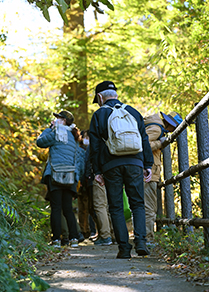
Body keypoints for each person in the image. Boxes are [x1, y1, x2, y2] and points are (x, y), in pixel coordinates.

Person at [89, 81, 154, 258]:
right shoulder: (133, 112)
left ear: (100, 97)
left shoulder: (99, 114)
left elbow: (94, 147)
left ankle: (124, 249)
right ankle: (141, 241)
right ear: (115, 94)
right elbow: (144, 139)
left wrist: (96, 171)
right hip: (135, 163)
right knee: (138, 204)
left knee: (116, 207)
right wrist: (148, 165)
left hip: (111, 165)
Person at [37, 110, 84, 248]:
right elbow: (79, 160)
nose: (55, 120)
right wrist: (76, 178)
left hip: (55, 175)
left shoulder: (56, 133)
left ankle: (57, 239)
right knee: (68, 209)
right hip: (70, 177)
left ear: (63, 120)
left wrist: (49, 128)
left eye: (57, 118)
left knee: (56, 208)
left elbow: (40, 142)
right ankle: (74, 238)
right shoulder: (74, 136)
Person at [143, 111, 183, 243]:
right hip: (148, 173)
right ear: (170, 124)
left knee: (147, 207)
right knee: (149, 208)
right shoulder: (156, 129)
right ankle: (147, 238)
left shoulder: (156, 128)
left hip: (148, 172)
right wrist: (160, 144)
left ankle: (144, 237)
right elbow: (142, 146)